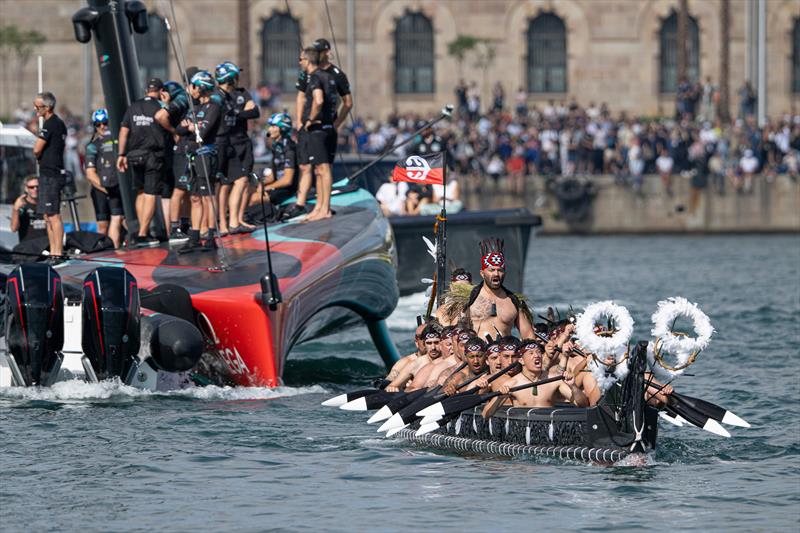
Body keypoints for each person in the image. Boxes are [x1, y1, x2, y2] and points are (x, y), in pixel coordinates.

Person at [117, 78, 174, 247]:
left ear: (146, 91)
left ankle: (139, 232)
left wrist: (121, 154)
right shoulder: (160, 107)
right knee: (150, 193)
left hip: (134, 155)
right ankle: (143, 234)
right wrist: (167, 104)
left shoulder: (133, 106)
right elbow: (168, 123)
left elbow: (123, 131)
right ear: (161, 91)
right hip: (152, 155)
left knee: (140, 192)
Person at [440, 239, 534, 339]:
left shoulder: (515, 302)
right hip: (476, 352)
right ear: (482, 273)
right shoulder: (468, 299)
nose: (496, 274)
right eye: (491, 270)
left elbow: (528, 335)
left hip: (503, 352)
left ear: (504, 273)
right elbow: (456, 334)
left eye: (500, 270)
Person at [289, 46, 338, 222]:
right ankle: (320, 207)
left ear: (308, 61)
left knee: (323, 169)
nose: (300, 63)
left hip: (317, 130)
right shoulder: (328, 76)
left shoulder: (315, 77)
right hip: (326, 128)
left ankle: (324, 209)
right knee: (319, 169)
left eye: (301, 60)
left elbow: (318, 100)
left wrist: (309, 119)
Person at [177, 71, 223, 254]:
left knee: (208, 197)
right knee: (195, 197)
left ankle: (211, 236)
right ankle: (194, 237)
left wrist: (191, 127)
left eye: (194, 86)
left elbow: (202, 133)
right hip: (192, 157)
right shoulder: (195, 108)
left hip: (205, 156)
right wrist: (189, 127)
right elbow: (181, 128)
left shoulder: (213, 106)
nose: (191, 90)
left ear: (201, 87)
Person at [213, 61, 259, 236]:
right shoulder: (218, 96)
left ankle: (236, 220)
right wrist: (240, 112)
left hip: (241, 140)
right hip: (225, 142)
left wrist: (238, 114)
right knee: (224, 184)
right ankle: (223, 222)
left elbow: (254, 110)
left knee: (243, 180)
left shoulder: (240, 93)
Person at [498, 341, 588, 408]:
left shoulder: (554, 379)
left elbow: (583, 405)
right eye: (531, 353)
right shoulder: (512, 384)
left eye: (538, 352)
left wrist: (574, 387)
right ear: (521, 360)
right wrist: (499, 398)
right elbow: (486, 414)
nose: (536, 355)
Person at [32, 91, 67, 258]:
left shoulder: (51, 124)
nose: (35, 109)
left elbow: (37, 148)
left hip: (51, 174)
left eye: (38, 106)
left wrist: (38, 156)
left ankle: (57, 253)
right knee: (48, 215)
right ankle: (53, 252)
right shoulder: (58, 124)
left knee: (53, 215)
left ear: (47, 107)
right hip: (50, 173)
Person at [84, 108, 123, 248]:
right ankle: (103, 250)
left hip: (117, 187)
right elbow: (90, 174)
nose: (102, 127)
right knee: (103, 224)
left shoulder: (119, 143)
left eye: (105, 123)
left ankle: (117, 248)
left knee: (120, 220)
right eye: (98, 124)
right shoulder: (92, 147)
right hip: (100, 188)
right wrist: (106, 188)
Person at [161, 80, 192, 242]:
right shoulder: (182, 99)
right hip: (178, 151)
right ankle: (174, 227)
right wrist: (174, 131)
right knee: (179, 189)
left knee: (187, 189)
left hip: (184, 149)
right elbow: (161, 116)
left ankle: (185, 224)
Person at [385, 323, 442, 392]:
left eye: (436, 343)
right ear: (423, 344)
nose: (433, 347)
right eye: (429, 343)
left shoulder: (448, 360)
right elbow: (388, 386)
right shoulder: (412, 363)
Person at [262, 112, 298, 206]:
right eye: (270, 126)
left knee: (253, 199)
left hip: (287, 191)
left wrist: (267, 188)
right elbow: (272, 177)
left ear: (282, 128)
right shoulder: (276, 147)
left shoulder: (289, 148)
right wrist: (259, 184)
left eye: (273, 126)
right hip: (277, 187)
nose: (269, 129)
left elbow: (287, 180)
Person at [10, 176, 47, 243]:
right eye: (31, 187)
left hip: (45, 246)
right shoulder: (22, 205)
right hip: (28, 248)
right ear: (26, 189)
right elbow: (14, 228)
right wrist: (15, 209)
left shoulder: (46, 204)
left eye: (37, 187)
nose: (35, 189)